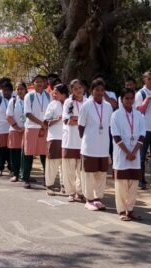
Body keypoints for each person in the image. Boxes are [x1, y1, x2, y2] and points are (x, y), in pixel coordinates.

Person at [78, 79, 113, 211]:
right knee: (89, 174)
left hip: (103, 146)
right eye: (96, 90)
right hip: (89, 146)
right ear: (91, 90)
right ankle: (89, 199)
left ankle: (97, 198)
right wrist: (88, 139)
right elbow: (80, 127)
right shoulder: (86, 105)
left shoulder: (108, 106)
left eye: (101, 90)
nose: (99, 92)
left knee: (101, 174)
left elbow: (109, 126)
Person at [111, 88, 145, 220]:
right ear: (121, 99)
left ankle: (130, 210)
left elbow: (142, 135)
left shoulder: (139, 115)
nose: (129, 101)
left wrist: (134, 151)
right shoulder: (116, 115)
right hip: (122, 154)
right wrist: (127, 152)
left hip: (134, 154)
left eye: (131, 98)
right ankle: (121, 211)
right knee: (121, 184)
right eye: (127, 98)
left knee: (133, 184)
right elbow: (116, 136)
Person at [134, 71, 151, 189]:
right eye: (148, 79)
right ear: (144, 80)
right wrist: (148, 99)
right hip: (144, 129)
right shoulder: (141, 93)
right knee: (142, 155)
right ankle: (141, 181)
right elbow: (139, 110)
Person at [23, 75, 51, 187]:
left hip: (45, 128)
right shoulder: (29, 96)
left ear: (44, 83)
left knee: (45, 155)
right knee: (28, 154)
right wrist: (41, 123)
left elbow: (51, 111)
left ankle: (47, 179)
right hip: (31, 128)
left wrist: (46, 124)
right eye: (37, 81)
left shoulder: (48, 96)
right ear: (33, 83)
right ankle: (26, 179)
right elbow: (27, 113)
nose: (39, 84)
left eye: (41, 81)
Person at [62, 79, 86, 202]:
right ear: (72, 90)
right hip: (70, 141)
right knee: (69, 170)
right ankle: (70, 192)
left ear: (83, 88)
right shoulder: (68, 102)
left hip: (84, 142)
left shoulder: (88, 102)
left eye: (80, 88)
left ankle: (80, 192)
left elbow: (90, 121)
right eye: (75, 89)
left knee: (82, 170)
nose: (78, 90)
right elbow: (67, 120)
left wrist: (77, 119)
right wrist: (81, 120)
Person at [44, 83, 68, 195]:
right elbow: (46, 121)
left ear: (63, 94)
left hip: (68, 138)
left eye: (56, 92)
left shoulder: (70, 103)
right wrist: (58, 119)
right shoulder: (52, 104)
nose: (54, 94)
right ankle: (49, 186)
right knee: (52, 162)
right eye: (53, 92)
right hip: (54, 137)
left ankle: (64, 185)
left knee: (65, 163)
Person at [6, 82, 27, 182]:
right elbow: (9, 116)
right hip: (15, 130)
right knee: (15, 154)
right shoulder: (13, 101)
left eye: (22, 89)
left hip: (27, 131)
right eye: (18, 89)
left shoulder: (29, 100)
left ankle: (25, 174)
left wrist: (25, 128)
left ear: (25, 90)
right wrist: (18, 128)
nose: (20, 91)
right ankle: (15, 174)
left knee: (26, 154)